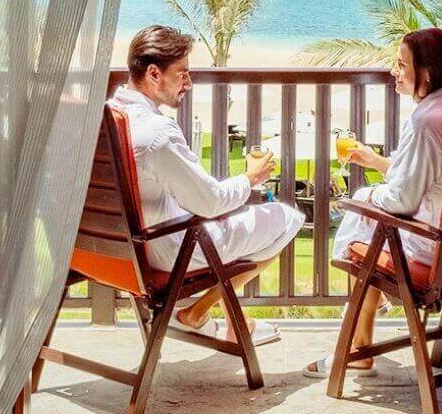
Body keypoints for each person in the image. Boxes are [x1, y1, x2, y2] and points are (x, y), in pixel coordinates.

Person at [112, 25, 301, 346]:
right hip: (170, 250)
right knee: (286, 218)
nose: (188, 83)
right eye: (182, 73)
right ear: (154, 74)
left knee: (235, 220)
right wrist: (250, 178)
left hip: (122, 251)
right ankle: (197, 312)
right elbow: (210, 202)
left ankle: (228, 323)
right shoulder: (156, 133)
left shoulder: (112, 115)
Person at [306, 27, 442, 377]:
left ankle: (358, 347)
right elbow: (427, 178)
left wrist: (367, 196)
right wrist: (376, 162)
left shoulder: (425, 121)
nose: (394, 71)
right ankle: (363, 332)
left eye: (402, 64)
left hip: (432, 252)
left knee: (364, 227)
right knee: (371, 222)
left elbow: (404, 200)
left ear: (428, 73)